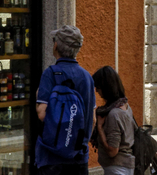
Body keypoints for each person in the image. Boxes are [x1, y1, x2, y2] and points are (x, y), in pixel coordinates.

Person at [35, 25, 97, 175]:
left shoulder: (50, 74)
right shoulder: (87, 77)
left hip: (52, 157)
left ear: (56, 46)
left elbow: (42, 114)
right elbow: (93, 120)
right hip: (78, 156)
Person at [92, 66, 135, 175]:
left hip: (117, 168)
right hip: (125, 165)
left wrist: (100, 128)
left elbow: (112, 151)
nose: (97, 90)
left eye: (99, 87)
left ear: (106, 88)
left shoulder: (114, 114)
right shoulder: (125, 105)